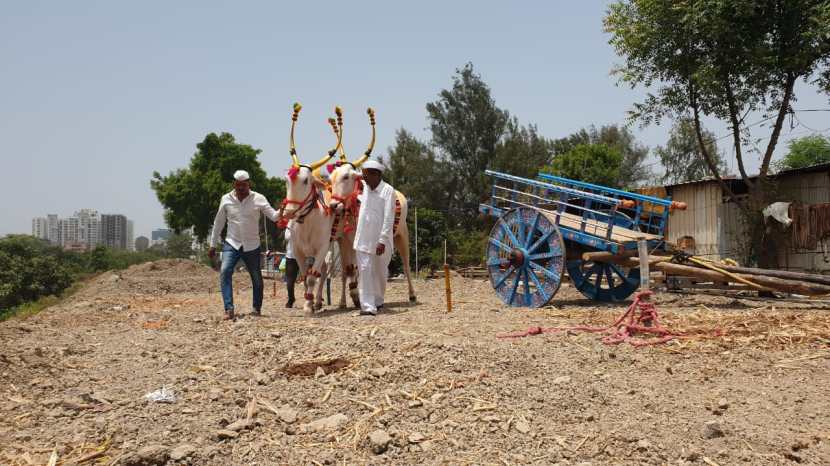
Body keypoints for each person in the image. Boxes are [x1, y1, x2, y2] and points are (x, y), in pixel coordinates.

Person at [208, 170, 279, 320]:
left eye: (244, 185)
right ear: (234, 184)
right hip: (231, 243)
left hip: (252, 245)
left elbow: (274, 216)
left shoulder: (258, 198)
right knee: (225, 271)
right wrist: (212, 245)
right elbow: (218, 223)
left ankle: (256, 308)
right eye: (238, 185)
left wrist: (286, 208)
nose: (241, 188)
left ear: (249, 184)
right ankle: (229, 308)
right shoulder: (226, 199)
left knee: (257, 278)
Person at [353, 160, 396, 316]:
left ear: (376, 175)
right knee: (364, 271)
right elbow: (352, 175)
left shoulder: (388, 191)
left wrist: (382, 240)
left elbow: (389, 218)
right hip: (363, 239)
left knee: (379, 273)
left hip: (379, 242)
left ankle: (378, 301)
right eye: (363, 176)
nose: (364, 179)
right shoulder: (365, 187)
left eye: (366, 176)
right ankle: (367, 307)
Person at [283, 224, 299, 308]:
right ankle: (291, 299)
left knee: (307, 278)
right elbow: (287, 237)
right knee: (290, 281)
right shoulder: (290, 223)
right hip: (291, 256)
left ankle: (309, 299)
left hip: (305, 255)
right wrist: (294, 231)